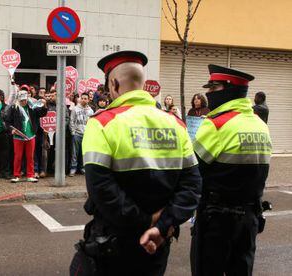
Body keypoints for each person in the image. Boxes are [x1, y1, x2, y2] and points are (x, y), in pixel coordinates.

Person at [70, 51, 202, 276]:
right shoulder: (176, 124)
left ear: (113, 83)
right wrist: (161, 225)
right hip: (158, 243)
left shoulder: (102, 123)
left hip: (113, 244)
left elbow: (101, 188)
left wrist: (145, 220)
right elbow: (192, 185)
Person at [190, 64, 272, 276]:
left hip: (216, 220)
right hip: (250, 218)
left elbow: (192, 169)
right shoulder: (260, 125)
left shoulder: (216, 125)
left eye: (214, 88)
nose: (208, 94)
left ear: (230, 90)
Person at [6, 90, 47, 183]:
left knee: (30, 156)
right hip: (18, 136)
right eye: (21, 100)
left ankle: (30, 175)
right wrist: (11, 130)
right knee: (18, 157)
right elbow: (7, 121)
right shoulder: (14, 108)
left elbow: (42, 113)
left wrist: (44, 105)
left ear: (27, 99)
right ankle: (16, 175)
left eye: (24, 100)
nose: (23, 102)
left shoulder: (32, 107)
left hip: (31, 135)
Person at [69, 92, 94, 177]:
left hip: (86, 134)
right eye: (82, 98)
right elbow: (71, 121)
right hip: (77, 134)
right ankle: (73, 168)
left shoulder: (91, 110)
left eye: (85, 98)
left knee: (84, 152)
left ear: (88, 100)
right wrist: (73, 132)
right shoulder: (75, 109)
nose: (83, 100)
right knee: (74, 152)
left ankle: (83, 168)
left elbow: (92, 123)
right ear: (80, 99)